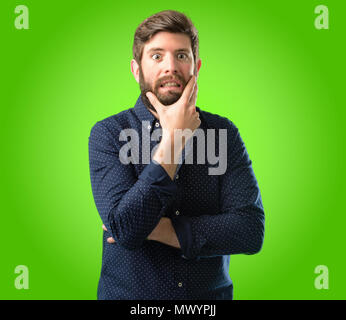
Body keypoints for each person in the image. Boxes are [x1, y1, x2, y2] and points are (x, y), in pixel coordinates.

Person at [88, 10, 265, 300]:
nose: (170, 66)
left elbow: (249, 230)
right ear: (137, 69)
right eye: (157, 56)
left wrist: (158, 229)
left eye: (181, 56)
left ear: (196, 66)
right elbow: (128, 229)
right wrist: (175, 140)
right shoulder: (108, 134)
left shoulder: (224, 132)